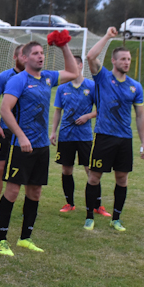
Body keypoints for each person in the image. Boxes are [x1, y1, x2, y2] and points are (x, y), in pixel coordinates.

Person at [0, 40, 79, 256]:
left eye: (42, 53)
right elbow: (5, 109)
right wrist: (21, 136)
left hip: (41, 147)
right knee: (13, 191)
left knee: (35, 192)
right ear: (24, 58)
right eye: (35, 53)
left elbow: (73, 72)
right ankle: (1, 240)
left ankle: (25, 238)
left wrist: (64, 47)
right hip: (20, 146)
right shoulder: (18, 80)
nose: (40, 56)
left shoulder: (48, 77)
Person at [82, 28, 144, 232]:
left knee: (122, 179)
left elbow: (140, 115)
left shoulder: (135, 86)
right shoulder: (102, 77)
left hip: (124, 139)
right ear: (113, 61)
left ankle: (116, 219)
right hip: (104, 136)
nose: (127, 62)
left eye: (129, 59)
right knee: (94, 177)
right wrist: (108, 37)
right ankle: (89, 216)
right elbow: (90, 56)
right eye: (123, 59)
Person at [50, 56, 110, 217]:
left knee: (91, 170)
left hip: (85, 136)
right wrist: (53, 131)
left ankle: (97, 205)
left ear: (81, 65)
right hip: (66, 135)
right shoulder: (62, 88)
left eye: (74, 64)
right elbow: (57, 111)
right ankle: (69, 203)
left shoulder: (92, 86)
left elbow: (102, 108)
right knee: (66, 169)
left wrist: (88, 116)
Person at [0, 44, 25, 221]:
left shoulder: (34, 78)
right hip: (6, 130)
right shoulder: (4, 76)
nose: (26, 58)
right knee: (0, 167)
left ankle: (27, 206)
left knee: (25, 169)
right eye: (23, 55)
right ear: (15, 57)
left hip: (27, 132)